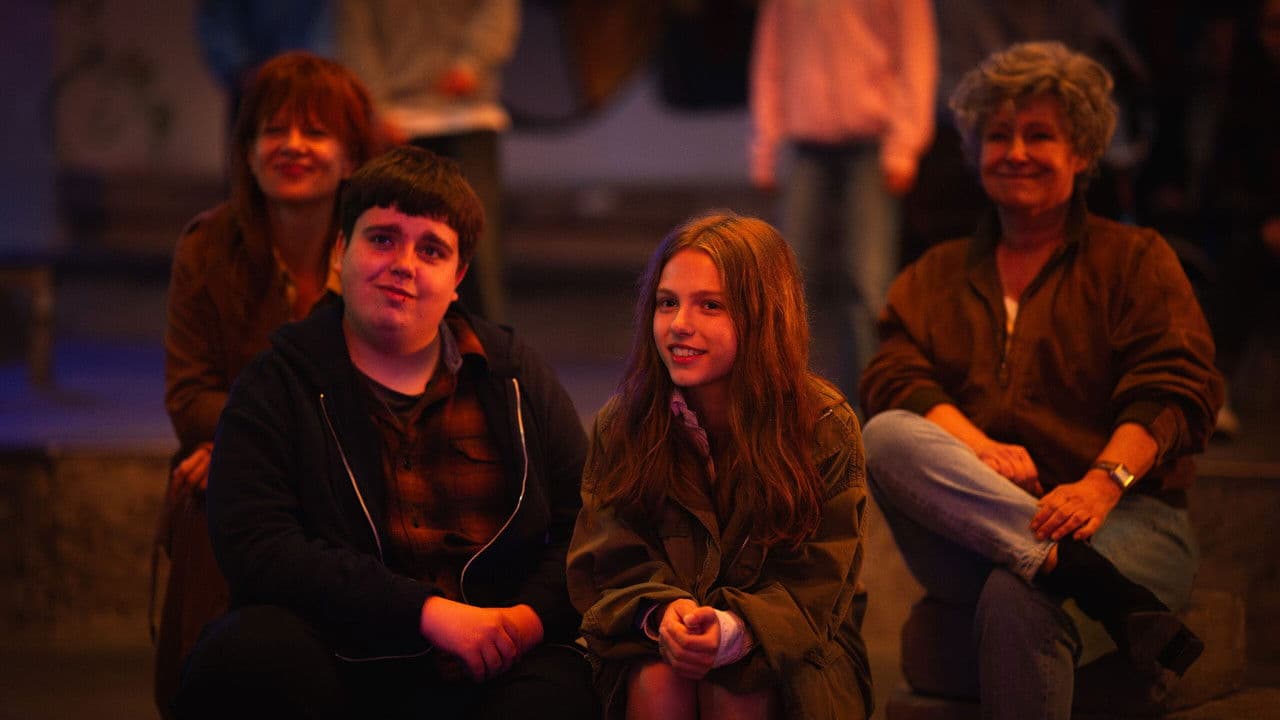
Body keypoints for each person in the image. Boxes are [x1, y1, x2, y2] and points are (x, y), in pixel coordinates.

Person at [859, 42, 1222, 719]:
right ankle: (1078, 574)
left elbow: (1175, 388)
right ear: (976, 151)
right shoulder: (933, 275)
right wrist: (979, 451)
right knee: (884, 434)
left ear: (1081, 153)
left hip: (1129, 517)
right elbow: (893, 376)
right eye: (999, 135)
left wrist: (1100, 484)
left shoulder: (1134, 259)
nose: (1016, 152)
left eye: (1040, 135)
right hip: (972, 523)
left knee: (1017, 594)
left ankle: (1065, 567)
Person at [172, 146, 597, 719]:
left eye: (431, 250)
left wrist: (526, 620)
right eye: (382, 239)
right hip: (340, 658)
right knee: (246, 657)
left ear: (458, 278)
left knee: (568, 693)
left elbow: (586, 525)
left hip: (493, 657)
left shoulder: (511, 376)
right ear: (340, 251)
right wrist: (425, 612)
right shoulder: (279, 381)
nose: (404, 264)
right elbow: (258, 546)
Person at [567, 212, 873, 719]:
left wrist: (732, 630)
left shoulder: (824, 425)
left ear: (764, 315)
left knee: (736, 688)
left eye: (710, 305)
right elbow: (605, 561)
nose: (679, 324)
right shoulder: (624, 422)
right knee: (659, 681)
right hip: (652, 642)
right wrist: (663, 612)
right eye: (667, 302)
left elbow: (817, 587)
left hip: (802, 651)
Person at [156, 50, 381, 716]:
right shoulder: (207, 246)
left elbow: (391, 391)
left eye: (315, 131)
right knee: (211, 487)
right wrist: (249, 450)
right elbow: (188, 398)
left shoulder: (382, 248)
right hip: (239, 463)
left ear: (351, 155)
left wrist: (252, 443)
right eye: (273, 130)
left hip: (353, 467)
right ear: (248, 152)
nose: (292, 146)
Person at [748, 0, 936, 402]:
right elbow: (771, 56)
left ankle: (866, 410)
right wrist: (766, 145)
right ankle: (783, 405)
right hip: (804, 141)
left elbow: (915, 55)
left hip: (872, 141)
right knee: (785, 282)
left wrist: (904, 145)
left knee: (868, 286)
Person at [338, 0, 519, 322]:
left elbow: (497, 11)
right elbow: (356, 36)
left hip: (468, 114)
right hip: (396, 119)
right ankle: (383, 332)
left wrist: (470, 66)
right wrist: (375, 108)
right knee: (387, 238)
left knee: (474, 249)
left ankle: (479, 342)